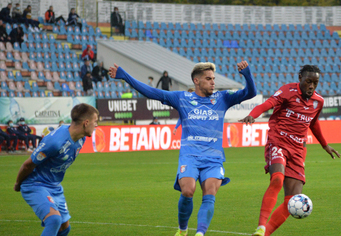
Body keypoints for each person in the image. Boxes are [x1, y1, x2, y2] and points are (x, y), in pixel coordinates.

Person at [109, 60, 256, 236]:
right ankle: (182, 229)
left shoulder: (222, 98)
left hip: (213, 157)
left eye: (213, 78)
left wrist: (246, 73)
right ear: (196, 81)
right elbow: (152, 92)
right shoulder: (182, 98)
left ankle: (200, 233)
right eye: (208, 78)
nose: (213, 82)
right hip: (190, 155)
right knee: (188, 190)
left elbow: (250, 93)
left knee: (210, 192)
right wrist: (124, 75)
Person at [238, 65, 340, 236]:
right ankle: (261, 226)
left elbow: (313, 123)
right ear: (300, 77)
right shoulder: (287, 91)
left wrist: (324, 144)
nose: (311, 86)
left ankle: (264, 234)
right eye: (308, 81)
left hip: (298, 150)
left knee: (292, 200)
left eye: (315, 83)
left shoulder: (318, 101)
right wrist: (253, 115)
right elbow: (268, 103)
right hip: (278, 142)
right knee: (277, 178)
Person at [14, 103, 99, 236]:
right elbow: (28, 165)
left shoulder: (81, 139)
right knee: (54, 220)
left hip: (54, 186)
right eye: (95, 121)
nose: (97, 125)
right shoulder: (55, 142)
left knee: (64, 228)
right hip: (35, 184)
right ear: (86, 123)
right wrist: (18, 183)